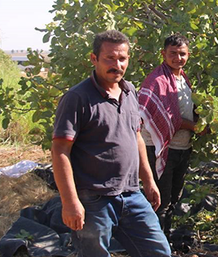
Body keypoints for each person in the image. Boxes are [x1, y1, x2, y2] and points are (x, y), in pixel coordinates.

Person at [51, 30, 171, 257]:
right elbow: (60, 150)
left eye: (122, 58)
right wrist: (70, 202)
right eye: (110, 58)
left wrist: (148, 181)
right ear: (94, 58)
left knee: (159, 252)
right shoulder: (77, 98)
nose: (117, 64)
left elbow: (135, 137)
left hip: (131, 194)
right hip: (93, 199)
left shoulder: (130, 91)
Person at [138, 34, 199, 238]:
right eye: (172, 53)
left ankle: (163, 241)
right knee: (159, 201)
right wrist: (195, 127)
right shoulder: (157, 81)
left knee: (173, 198)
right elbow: (171, 119)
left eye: (182, 54)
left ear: (188, 55)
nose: (178, 58)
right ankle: (154, 245)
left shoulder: (183, 79)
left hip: (181, 148)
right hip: (159, 149)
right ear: (163, 54)